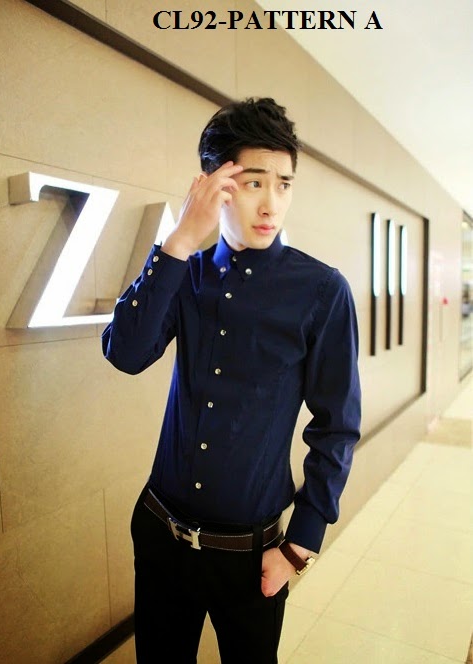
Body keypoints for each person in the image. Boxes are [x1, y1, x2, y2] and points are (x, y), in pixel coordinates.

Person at [102, 97, 361, 663]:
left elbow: (337, 425)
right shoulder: (184, 271)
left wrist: (299, 544)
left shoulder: (322, 291)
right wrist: (178, 241)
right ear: (212, 186)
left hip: (253, 555)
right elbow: (125, 353)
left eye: (284, 185)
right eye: (253, 183)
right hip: (160, 533)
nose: (272, 204)